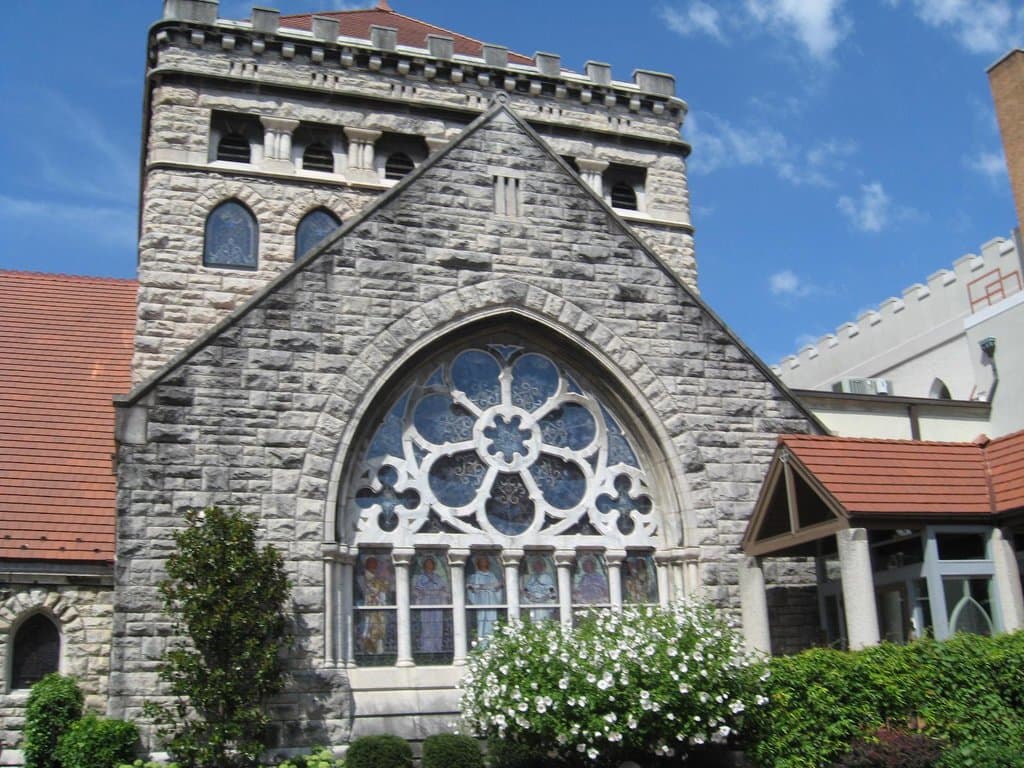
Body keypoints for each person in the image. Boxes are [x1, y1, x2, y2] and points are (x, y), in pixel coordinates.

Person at [412, 555, 450, 654]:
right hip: (426, 603)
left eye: (431, 563)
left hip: (437, 603)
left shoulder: (438, 578)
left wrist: (441, 593)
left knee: (437, 625)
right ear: (424, 565)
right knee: (427, 626)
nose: (429, 565)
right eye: (427, 563)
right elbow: (416, 590)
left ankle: (437, 648)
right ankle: (427, 649)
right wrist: (421, 593)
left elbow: (444, 590)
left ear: (434, 566)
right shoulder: (420, 578)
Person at [359, 555, 392, 655]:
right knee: (368, 629)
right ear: (366, 564)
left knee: (379, 628)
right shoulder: (362, 578)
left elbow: (384, 591)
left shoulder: (379, 579)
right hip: (367, 608)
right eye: (371, 562)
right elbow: (364, 591)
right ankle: (367, 651)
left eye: (376, 563)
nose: (374, 565)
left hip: (378, 608)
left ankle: (379, 651)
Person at [466, 554, 503, 639]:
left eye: (485, 561)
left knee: (492, 621)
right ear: (478, 563)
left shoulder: (492, 575)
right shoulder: (475, 576)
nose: (483, 563)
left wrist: (497, 587)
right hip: (481, 601)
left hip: (491, 601)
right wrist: (474, 588)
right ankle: (482, 641)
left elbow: (497, 587)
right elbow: (472, 588)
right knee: (482, 620)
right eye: (482, 561)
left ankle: (491, 641)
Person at [522, 555, 557, 621]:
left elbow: (551, 592)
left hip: (543, 605)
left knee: (543, 620)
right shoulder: (532, 578)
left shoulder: (547, 577)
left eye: (538, 565)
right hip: (533, 603)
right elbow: (527, 589)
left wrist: (542, 598)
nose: (536, 567)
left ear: (543, 566)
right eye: (534, 566)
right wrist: (527, 594)